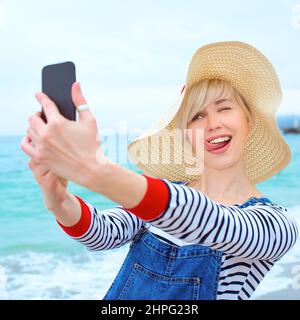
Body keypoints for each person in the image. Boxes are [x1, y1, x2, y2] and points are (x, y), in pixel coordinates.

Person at [20, 41, 298, 300]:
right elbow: (101, 233)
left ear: (248, 120)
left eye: (223, 108)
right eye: (197, 116)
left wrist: (94, 169)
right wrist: (57, 198)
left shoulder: (275, 225)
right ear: (187, 134)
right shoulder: (167, 194)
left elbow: (207, 219)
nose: (212, 124)